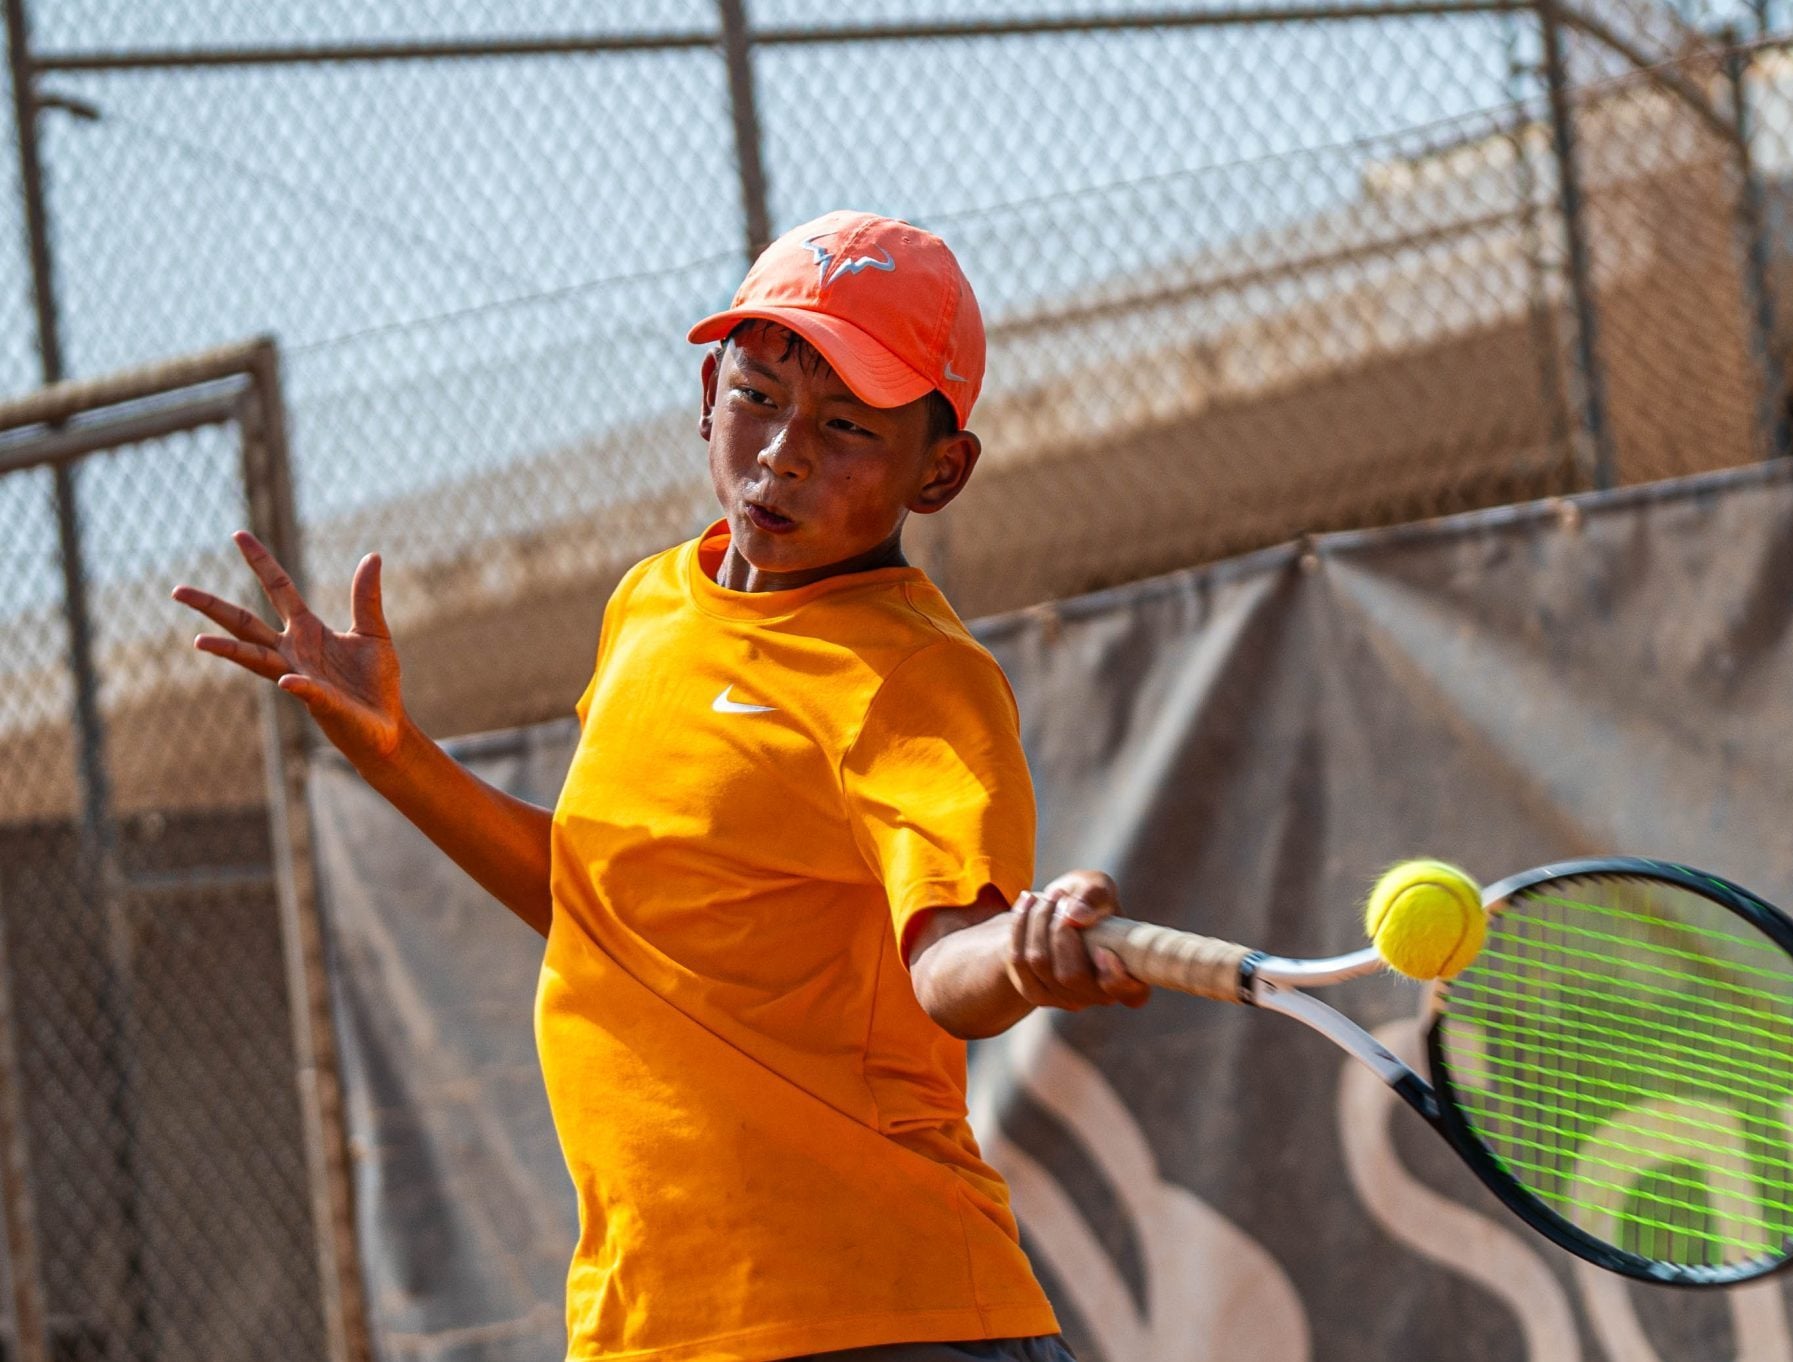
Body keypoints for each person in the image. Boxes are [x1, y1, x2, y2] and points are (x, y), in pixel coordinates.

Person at [173, 210, 1150, 1362]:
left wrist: (1024, 953)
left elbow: (946, 966)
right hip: (649, 1326)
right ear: (705, 393)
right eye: (756, 395)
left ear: (939, 472)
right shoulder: (648, 604)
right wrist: (396, 755)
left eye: (844, 427)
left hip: (885, 1319)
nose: (783, 451)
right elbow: (602, 907)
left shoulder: (917, 679)